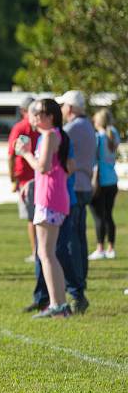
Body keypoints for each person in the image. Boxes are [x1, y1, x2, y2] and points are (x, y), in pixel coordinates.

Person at [15, 98, 72, 318]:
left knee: (46, 253)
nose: (35, 117)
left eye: (39, 113)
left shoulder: (49, 135)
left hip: (49, 199)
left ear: (50, 116)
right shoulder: (54, 135)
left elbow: (44, 167)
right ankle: (59, 304)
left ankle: (58, 304)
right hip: (51, 196)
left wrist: (25, 153)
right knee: (47, 253)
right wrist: (32, 182)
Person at [58, 90, 95, 281]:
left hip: (75, 186)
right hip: (86, 185)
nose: (61, 109)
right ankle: (82, 276)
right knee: (80, 236)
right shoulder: (88, 125)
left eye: (63, 106)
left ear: (70, 107)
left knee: (72, 237)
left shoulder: (72, 129)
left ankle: (75, 279)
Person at [8, 96, 39, 262]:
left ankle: (36, 252)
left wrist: (12, 178)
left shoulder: (20, 127)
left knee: (31, 218)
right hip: (40, 177)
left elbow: (11, 155)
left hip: (26, 178)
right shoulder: (41, 127)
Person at [88, 108, 121, 260]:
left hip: (99, 181)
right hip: (112, 181)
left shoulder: (97, 138)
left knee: (98, 217)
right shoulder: (113, 134)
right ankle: (111, 248)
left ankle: (100, 247)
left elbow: (93, 161)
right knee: (108, 215)